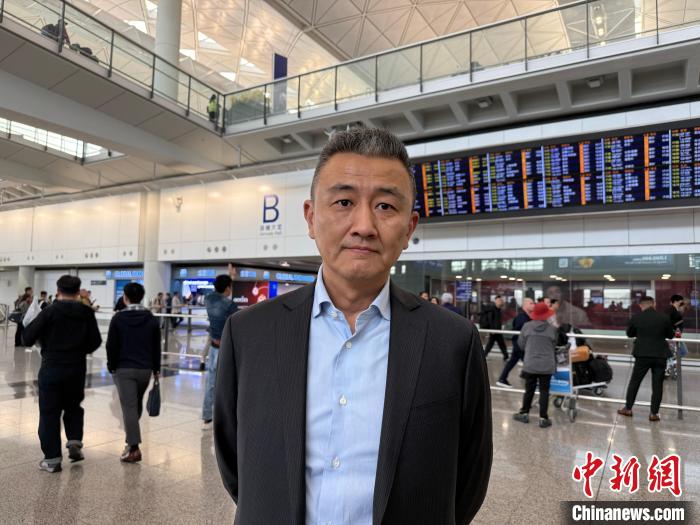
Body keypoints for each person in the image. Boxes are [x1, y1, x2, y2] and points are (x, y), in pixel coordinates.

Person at [214, 128, 492, 524]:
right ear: (311, 217)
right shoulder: (249, 333)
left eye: (385, 206)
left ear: (409, 228)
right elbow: (236, 465)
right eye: (344, 202)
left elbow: (467, 483)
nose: (364, 225)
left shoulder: (453, 342)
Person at [21, 275, 102, 473]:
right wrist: (79, 349)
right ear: (78, 292)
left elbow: (27, 338)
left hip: (52, 368)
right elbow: (95, 341)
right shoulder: (86, 312)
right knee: (73, 406)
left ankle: (52, 459)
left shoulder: (50, 311)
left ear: (58, 291)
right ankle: (74, 441)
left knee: (49, 412)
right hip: (76, 369)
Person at [106, 283, 161, 463]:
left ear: (125, 297)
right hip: (145, 370)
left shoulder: (118, 318)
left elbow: (111, 345)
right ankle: (130, 442)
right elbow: (156, 346)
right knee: (135, 405)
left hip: (124, 369)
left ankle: (134, 448)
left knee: (129, 407)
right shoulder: (151, 318)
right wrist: (156, 369)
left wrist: (111, 365)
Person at [618, 296, 674, 421]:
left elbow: (630, 334)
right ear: (654, 304)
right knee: (658, 385)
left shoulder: (636, 317)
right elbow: (670, 335)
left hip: (642, 354)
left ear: (640, 305)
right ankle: (654, 414)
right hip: (660, 355)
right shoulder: (664, 317)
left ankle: (628, 409)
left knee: (635, 382)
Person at [512, 302, 558, 428]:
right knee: (544, 391)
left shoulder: (526, 326)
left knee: (529, 390)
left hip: (530, 364)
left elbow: (521, 344)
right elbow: (554, 344)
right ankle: (543, 418)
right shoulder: (552, 329)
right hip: (547, 365)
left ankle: (524, 413)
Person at [201, 274, 238, 428]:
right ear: (228, 288)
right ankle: (227, 416)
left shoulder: (208, 299)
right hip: (226, 349)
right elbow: (236, 325)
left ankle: (207, 415)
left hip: (213, 347)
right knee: (229, 383)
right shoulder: (230, 305)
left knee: (210, 382)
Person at [497, 297, 535, 387]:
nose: (533, 305)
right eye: (531, 303)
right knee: (528, 362)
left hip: (521, 344)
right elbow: (524, 329)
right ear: (525, 305)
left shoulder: (527, 316)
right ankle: (531, 381)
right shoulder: (522, 317)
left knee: (513, 361)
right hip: (520, 344)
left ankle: (502, 378)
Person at [481, 295, 508, 360]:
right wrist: (492, 329)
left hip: (497, 330)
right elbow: (490, 320)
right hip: (494, 330)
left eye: (501, 300)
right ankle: (506, 356)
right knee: (494, 344)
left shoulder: (498, 309)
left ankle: (506, 356)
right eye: (499, 300)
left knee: (497, 344)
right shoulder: (492, 309)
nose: (500, 302)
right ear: (495, 301)